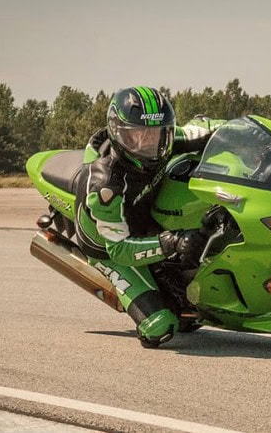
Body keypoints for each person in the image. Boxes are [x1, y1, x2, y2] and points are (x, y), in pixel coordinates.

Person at [74, 86, 225, 347]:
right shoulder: (106, 184)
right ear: (117, 133)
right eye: (136, 137)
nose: (148, 145)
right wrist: (173, 242)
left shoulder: (165, 140)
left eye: (156, 135)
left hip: (144, 215)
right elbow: (119, 248)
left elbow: (213, 128)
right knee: (161, 327)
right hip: (108, 245)